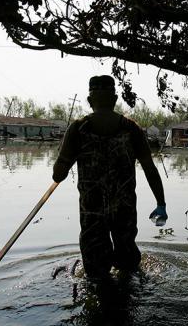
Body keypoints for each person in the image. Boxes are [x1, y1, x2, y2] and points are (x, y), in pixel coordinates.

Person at [52, 75, 168, 284]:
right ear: (115, 99)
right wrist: (161, 203)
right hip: (123, 209)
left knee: (95, 275)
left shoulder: (78, 129)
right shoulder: (132, 128)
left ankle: (100, 305)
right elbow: (150, 169)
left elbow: (58, 174)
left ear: (89, 101)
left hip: (92, 211)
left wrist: (69, 153)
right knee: (128, 269)